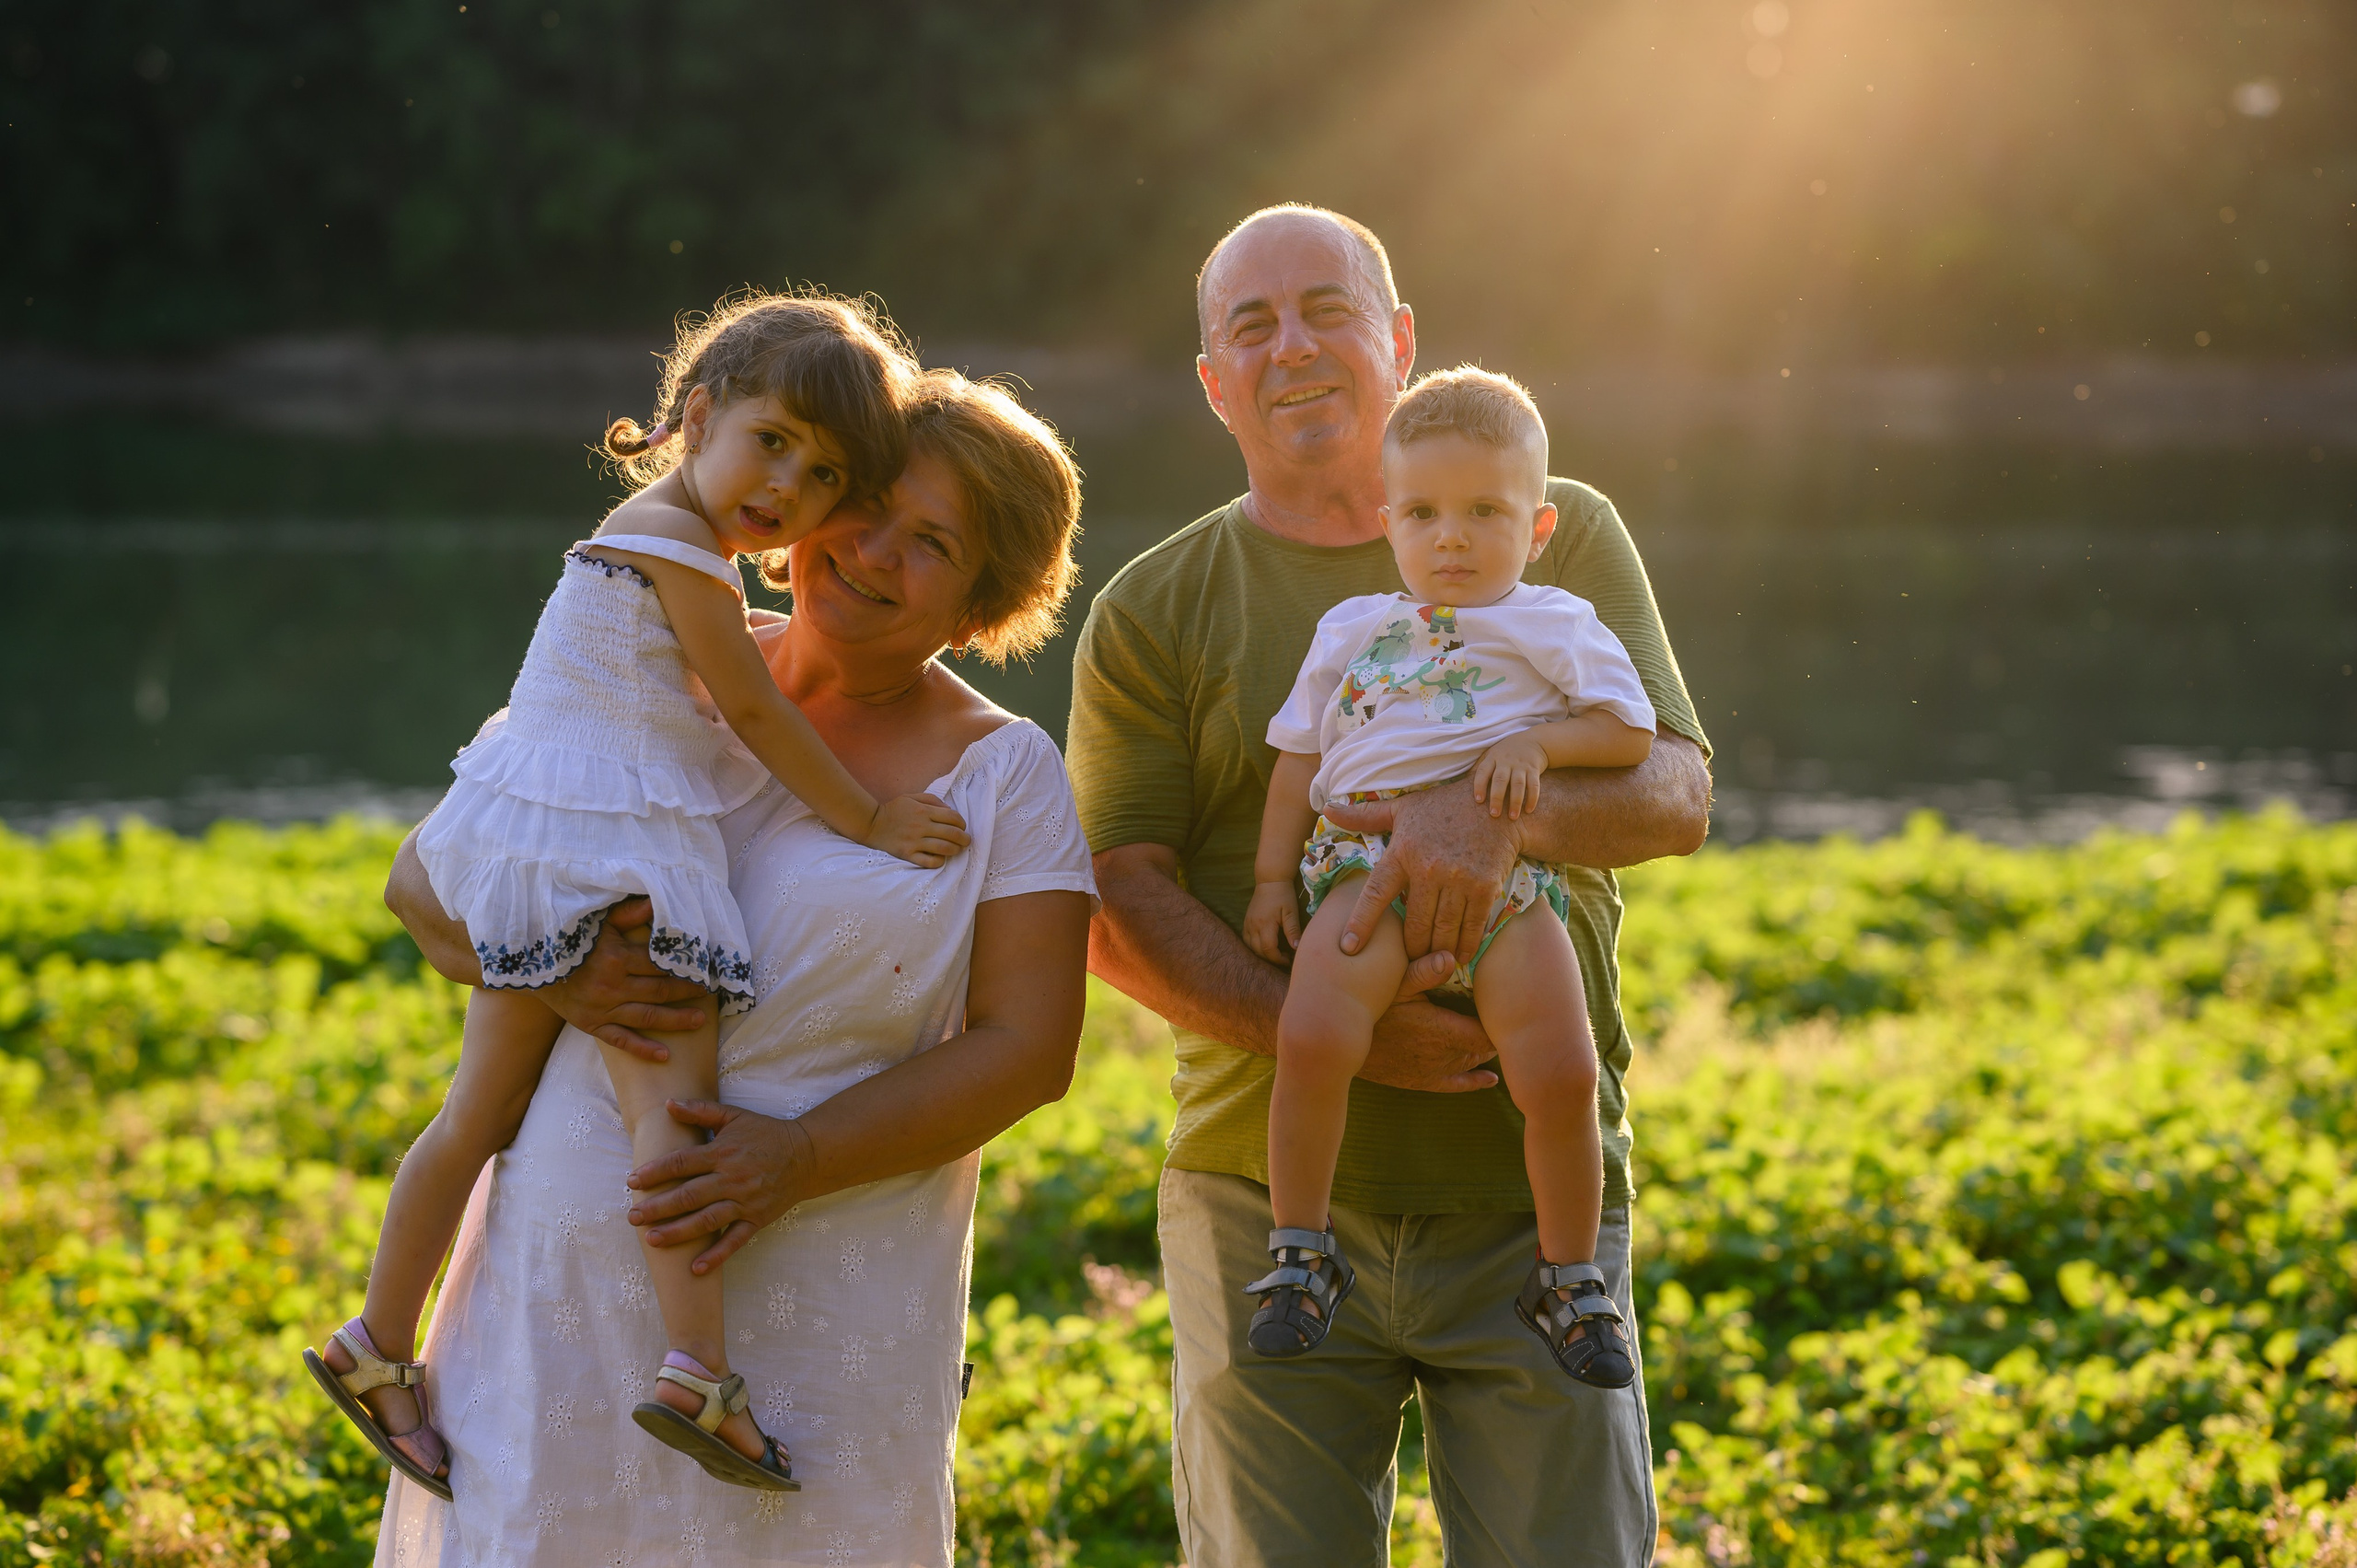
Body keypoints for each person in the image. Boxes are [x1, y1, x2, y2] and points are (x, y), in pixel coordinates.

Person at [1069, 204, 1713, 1565]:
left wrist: (1490, 822)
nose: (1292, 348)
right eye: (1253, 326)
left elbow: (1674, 794)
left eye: (1328, 311)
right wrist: (1356, 1037)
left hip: (1531, 1200)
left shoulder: (1557, 537)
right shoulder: (1151, 605)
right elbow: (1114, 899)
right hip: (1262, 1195)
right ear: (1213, 381)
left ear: (1400, 341)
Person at [373, 367, 1095, 1565]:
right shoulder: (649, 655)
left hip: (828, 1309)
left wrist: (799, 1157)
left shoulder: (1005, 772)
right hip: (551, 1295)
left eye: (933, 544)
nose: (872, 553)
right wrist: (561, 977)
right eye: (865, 507)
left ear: (984, 601)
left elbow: (1031, 1050)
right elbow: (423, 882)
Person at [308, 292, 969, 1497]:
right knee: (676, 1093)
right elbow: (760, 711)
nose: (789, 489)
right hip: (606, 856)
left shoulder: (661, 542)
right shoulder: (677, 549)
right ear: (697, 415)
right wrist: (869, 815)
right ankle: (698, 1370)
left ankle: (375, 1338)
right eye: (772, 441)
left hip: (537, 838)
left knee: (474, 1117)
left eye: (823, 476)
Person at [1240, 366, 1657, 1387]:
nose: (1453, 537)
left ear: (1540, 524)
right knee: (1312, 1030)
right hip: (1358, 869)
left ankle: (1568, 1273)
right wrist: (1265, 881)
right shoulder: (1351, 630)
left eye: (1484, 512)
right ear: (1390, 523)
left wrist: (1542, 750)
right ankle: (1300, 1251)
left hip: (1507, 890)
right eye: (1423, 513)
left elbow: (1627, 728)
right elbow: (1299, 756)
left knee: (1559, 1069)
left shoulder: (1555, 622)